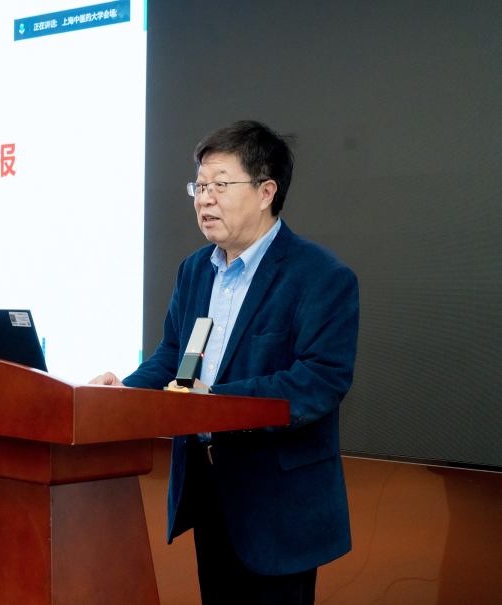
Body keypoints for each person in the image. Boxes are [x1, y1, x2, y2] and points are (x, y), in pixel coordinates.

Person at [89, 120, 358, 604]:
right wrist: (122, 395)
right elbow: (174, 358)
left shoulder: (320, 275)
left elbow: (319, 380)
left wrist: (212, 402)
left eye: (220, 184)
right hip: (208, 490)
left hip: (278, 504)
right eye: (199, 186)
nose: (204, 199)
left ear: (265, 192)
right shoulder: (195, 269)